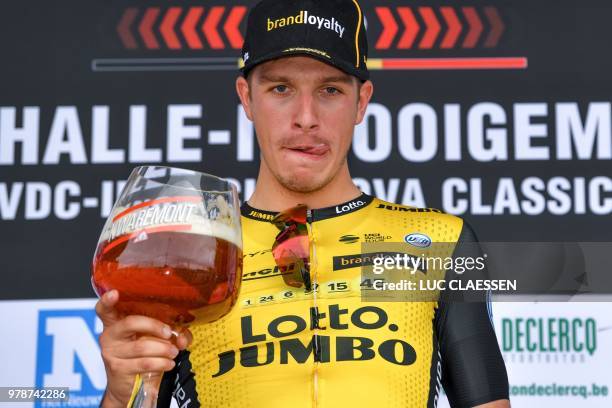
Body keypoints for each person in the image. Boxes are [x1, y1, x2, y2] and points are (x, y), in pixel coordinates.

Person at [96, 0, 510, 406]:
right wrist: (120, 395)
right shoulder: (194, 252)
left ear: (361, 101)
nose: (306, 117)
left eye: (329, 89)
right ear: (246, 97)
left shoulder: (443, 239)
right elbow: (137, 394)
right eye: (281, 88)